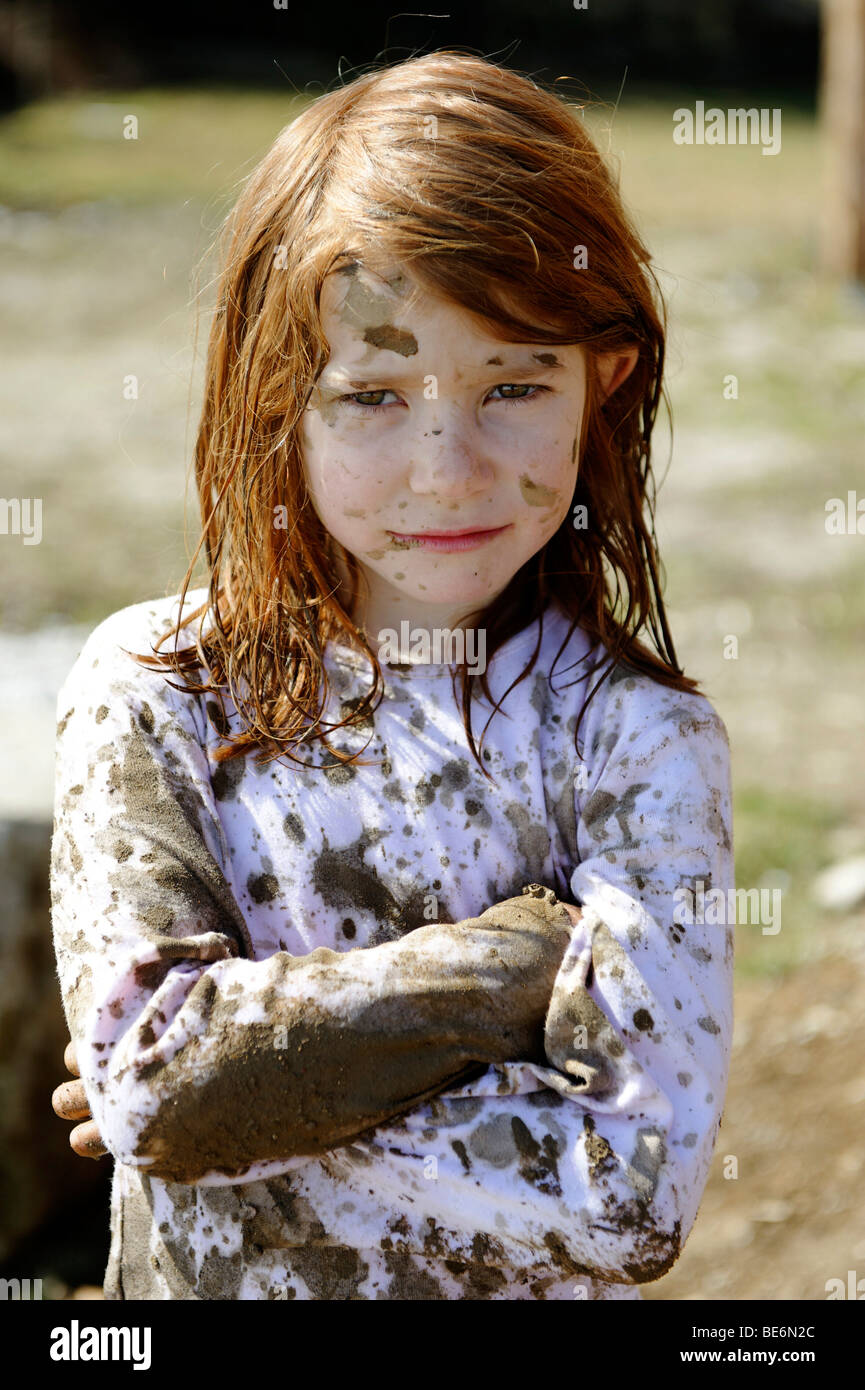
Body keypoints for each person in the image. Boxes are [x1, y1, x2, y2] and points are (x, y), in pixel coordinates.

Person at [49, 50, 734, 1301]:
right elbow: (155, 1092)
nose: (448, 468)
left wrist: (238, 1108)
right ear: (276, 402)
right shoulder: (157, 694)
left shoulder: (634, 741)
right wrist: (507, 971)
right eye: (370, 395)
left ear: (603, 382)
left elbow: (628, 1197)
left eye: (514, 385)